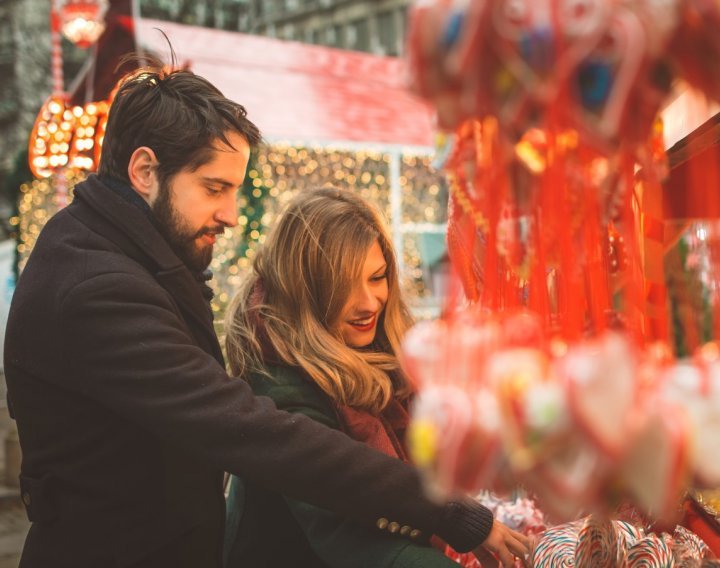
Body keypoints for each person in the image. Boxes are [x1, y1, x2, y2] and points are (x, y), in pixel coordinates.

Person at [3, 58, 528, 567]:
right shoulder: (100, 289)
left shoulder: (115, 251)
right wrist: (451, 511)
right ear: (145, 170)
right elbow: (252, 432)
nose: (231, 214)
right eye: (215, 188)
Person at [223, 187, 528, 568]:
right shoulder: (280, 385)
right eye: (343, 286)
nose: (369, 302)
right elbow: (352, 538)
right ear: (306, 290)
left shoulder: (386, 353)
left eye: (377, 277)